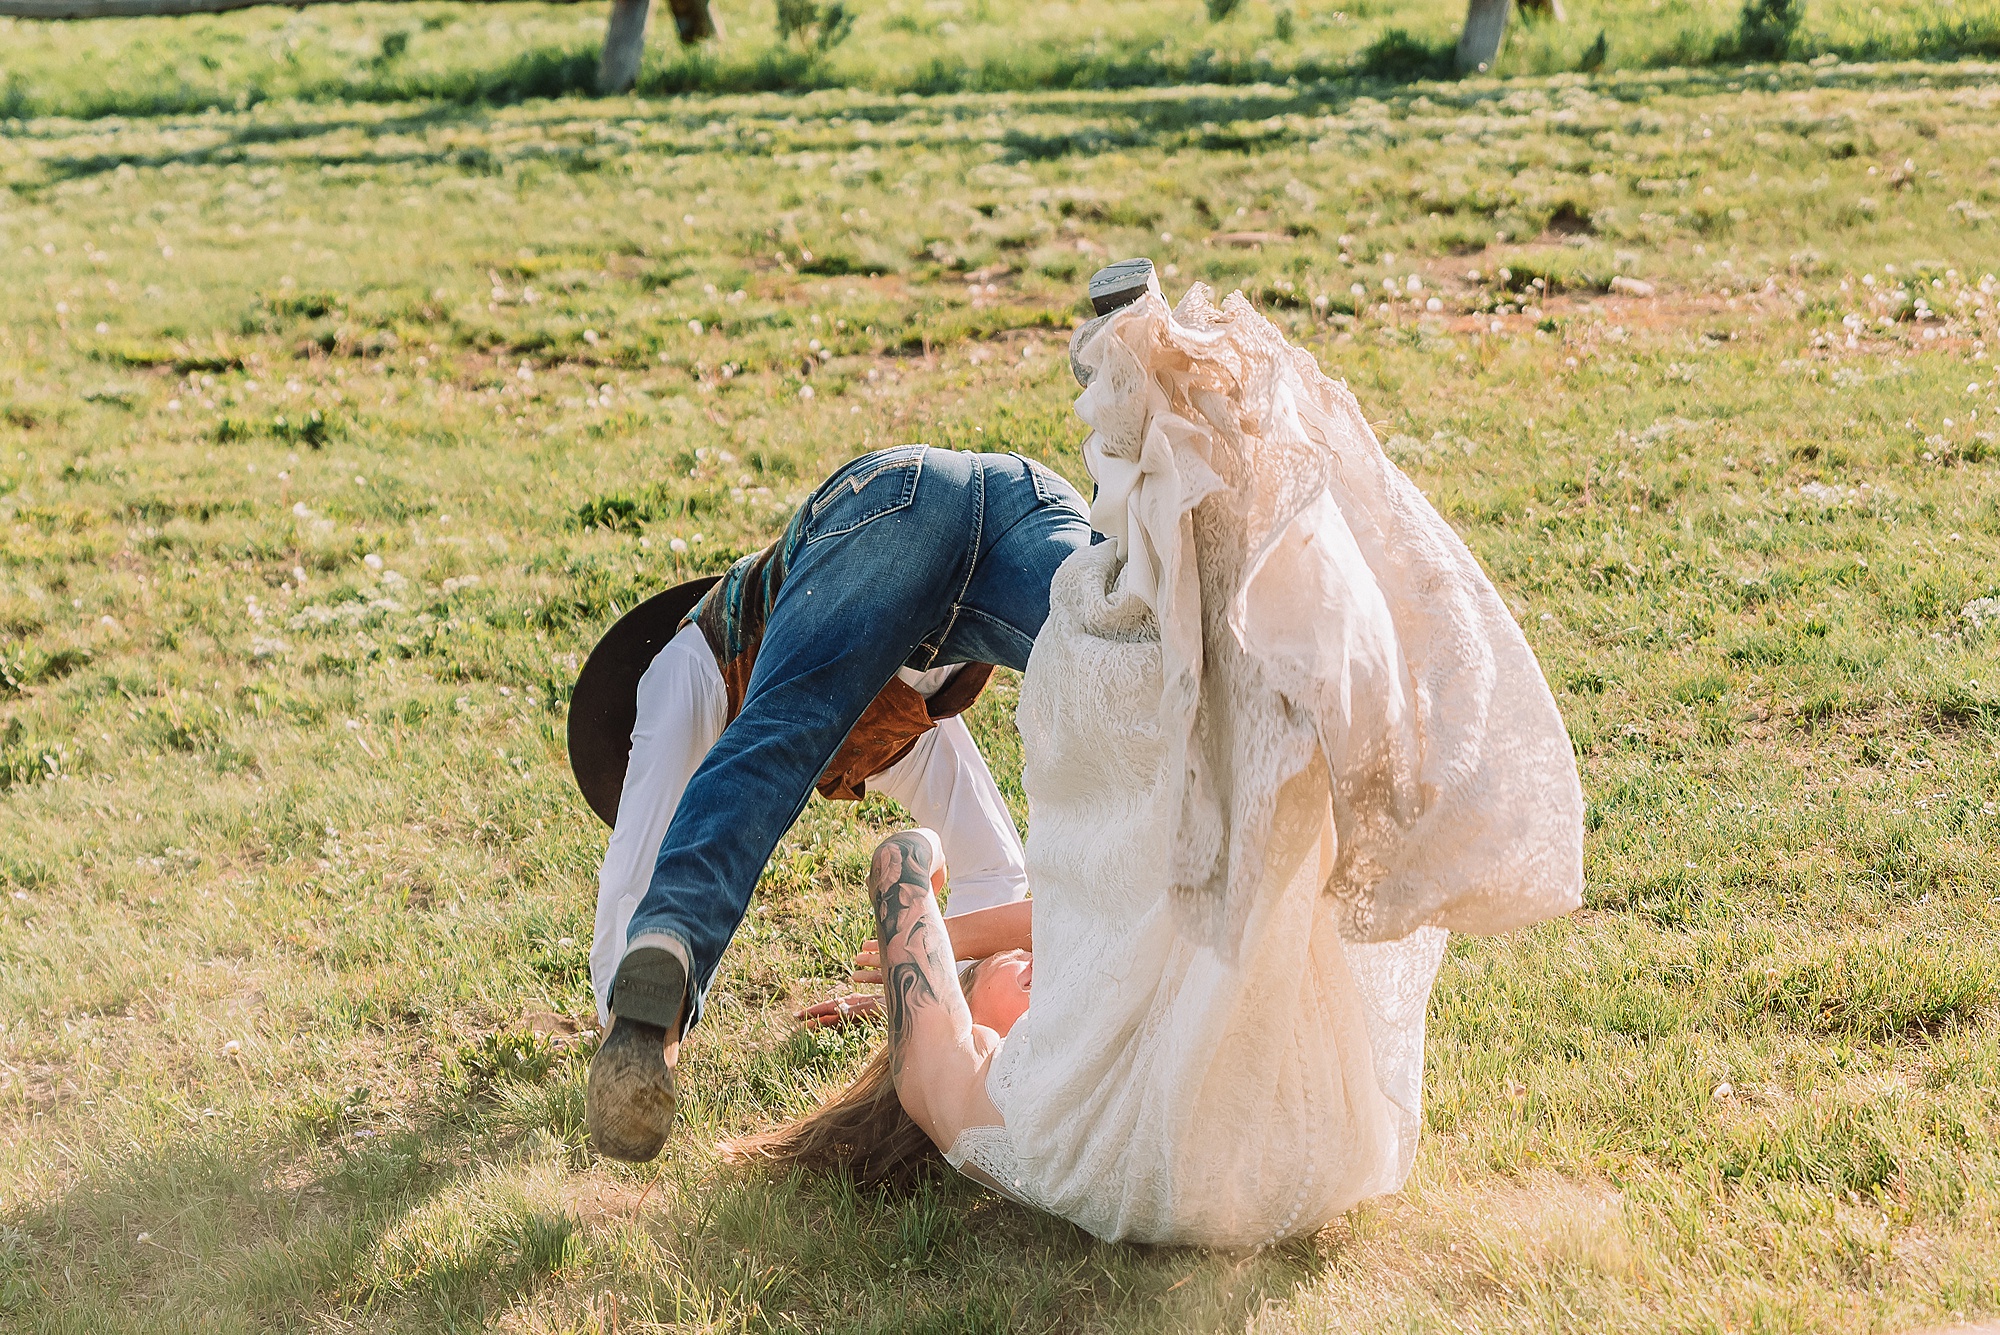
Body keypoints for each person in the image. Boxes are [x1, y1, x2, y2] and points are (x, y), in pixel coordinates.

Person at [735, 267, 1587, 1247]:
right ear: (974, 1024)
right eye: (1006, 976)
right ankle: (1155, 399)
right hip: (1219, 1144)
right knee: (1127, 692)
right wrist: (907, 964)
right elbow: (902, 862)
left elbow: (1079, 910)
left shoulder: (1045, 1063)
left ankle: (1179, 432)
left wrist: (939, 969)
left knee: (1227, 755)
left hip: (1281, 1165)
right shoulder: (969, 1106)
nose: (1028, 960)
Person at [581, 444, 1091, 1164]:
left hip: (894, 505)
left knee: (772, 742)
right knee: (1133, 658)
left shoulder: (690, 663)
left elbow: (640, 856)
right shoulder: (890, 732)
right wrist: (924, 995)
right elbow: (996, 872)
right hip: (1028, 498)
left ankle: (638, 1020)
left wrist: (923, 1003)